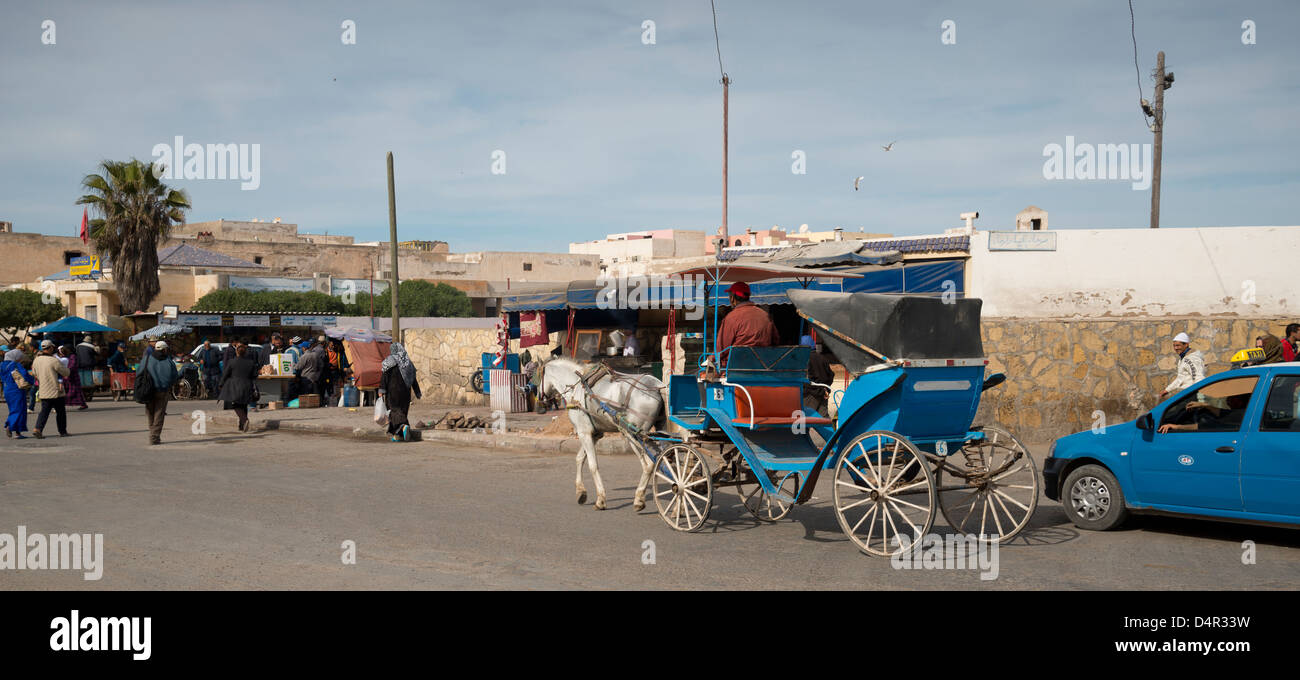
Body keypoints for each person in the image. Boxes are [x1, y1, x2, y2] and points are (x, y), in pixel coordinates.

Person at [716, 281, 780, 362]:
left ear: (732, 298)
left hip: (736, 367)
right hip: (763, 364)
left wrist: (711, 358)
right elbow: (775, 340)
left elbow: (721, 349)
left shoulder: (731, 318)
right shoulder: (765, 315)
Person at [379, 342, 421, 442]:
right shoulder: (408, 362)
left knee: (394, 411)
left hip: (393, 391)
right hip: (406, 392)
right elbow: (413, 378)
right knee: (402, 410)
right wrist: (417, 391)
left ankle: (405, 426)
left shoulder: (390, 361)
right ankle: (397, 435)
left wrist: (381, 390)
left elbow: (385, 376)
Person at [138, 340, 179, 445]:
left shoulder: (147, 359)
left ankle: (153, 433)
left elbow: (139, 373)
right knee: (159, 414)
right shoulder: (169, 361)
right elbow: (175, 376)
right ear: (165, 349)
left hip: (149, 390)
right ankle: (154, 437)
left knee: (150, 413)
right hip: (163, 391)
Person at [218, 341, 260, 432]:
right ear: (245, 352)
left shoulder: (232, 362)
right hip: (247, 385)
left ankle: (245, 420)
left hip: (235, 386)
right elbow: (255, 375)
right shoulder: (251, 362)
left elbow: (225, 374)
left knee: (236, 405)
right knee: (244, 405)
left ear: (236, 352)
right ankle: (241, 427)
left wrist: (221, 384)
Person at [31, 340, 69, 438]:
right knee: (60, 412)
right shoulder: (54, 360)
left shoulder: (36, 360)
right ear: (51, 348)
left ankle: (37, 428)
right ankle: (62, 431)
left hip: (43, 389)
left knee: (44, 411)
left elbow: (34, 374)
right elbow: (65, 372)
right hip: (56, 390)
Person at [1158, 332, 1206, 401]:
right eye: (1174, 346)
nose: (1175, 348)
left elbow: (1199, 379)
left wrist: (1200, 400)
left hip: (1191, 396)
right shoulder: (1183, 359)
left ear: (1186, 344)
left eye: (1178, 345)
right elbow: (1180, 379)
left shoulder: (1192, 359)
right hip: (1185, 394)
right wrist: (1167, 390)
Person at [2, 347, 34, 438]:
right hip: (17, 390)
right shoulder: (15, 364)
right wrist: (33, 380)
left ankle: (18, 432)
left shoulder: (2, 365)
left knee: (14, 409)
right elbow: (24, 374)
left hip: (7, 389)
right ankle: (10, 426)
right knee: (19, 410)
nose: (20, 359)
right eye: (19, 357)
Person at [804, 342, 835, 417]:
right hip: (823, 393)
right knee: (823, 420)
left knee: (805, 420)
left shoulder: (805, 359)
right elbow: (831, 375)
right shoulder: (823, 358)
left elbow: (807, 378)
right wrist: (825, 389)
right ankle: (830, 429)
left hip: (810, 395)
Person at [61, 345, 88, 410]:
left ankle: (61, 405)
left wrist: (67, 372)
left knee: (73, 391)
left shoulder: (73, 356)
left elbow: (72, 366)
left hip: (73, 377)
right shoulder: (67, 356)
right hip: (68, 376)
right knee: (73, 391)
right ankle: (83, 404)